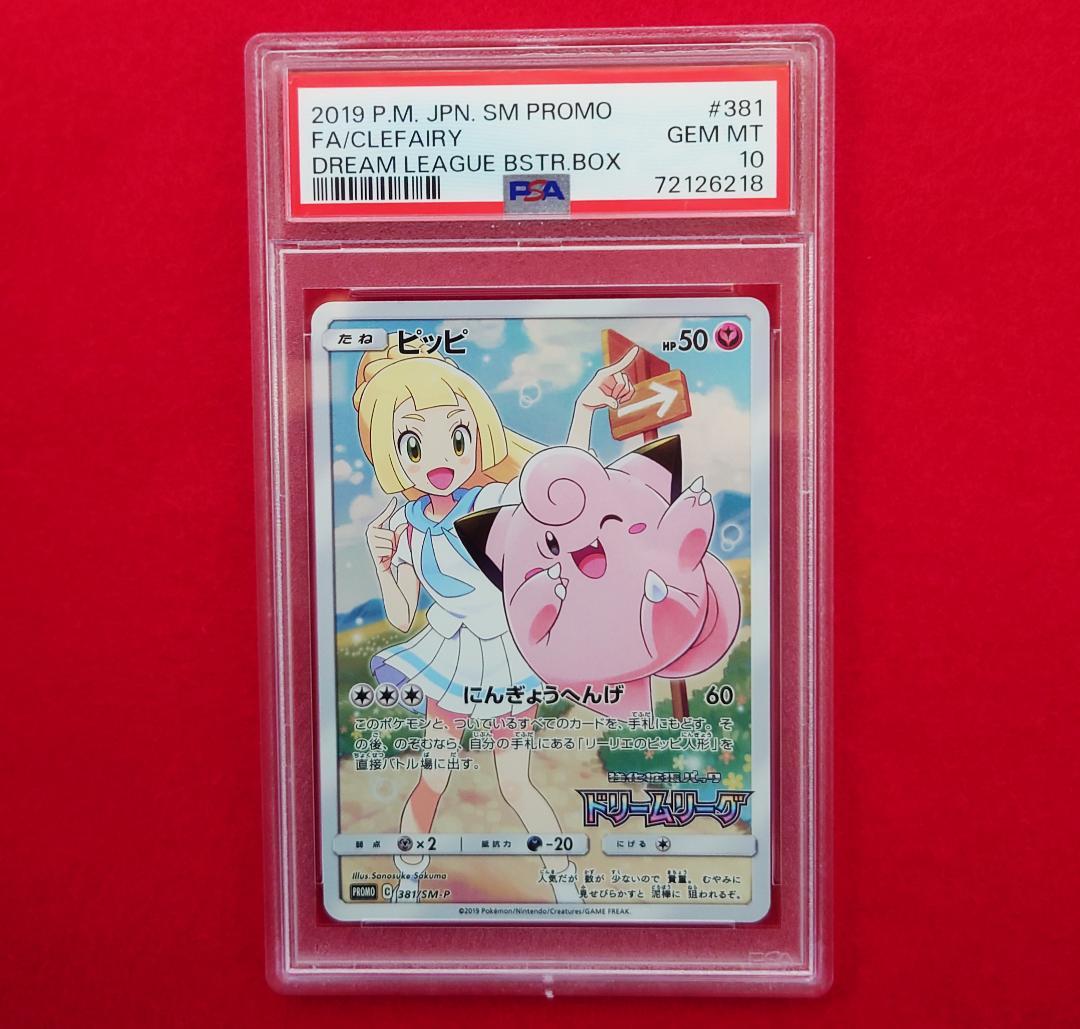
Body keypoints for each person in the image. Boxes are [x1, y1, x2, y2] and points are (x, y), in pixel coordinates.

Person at [353, 338, 635, 902]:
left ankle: (565, 887)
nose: (440, 460)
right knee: (433, 776)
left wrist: (583, 411)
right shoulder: (405, 525)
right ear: (390, 451)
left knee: (515, 781)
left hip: (506, 657)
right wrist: (382, 562)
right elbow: (403, 615)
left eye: (457, 437)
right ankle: (407, 885)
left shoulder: (495, 500)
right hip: (452, 657)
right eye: (413, 443)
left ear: (478, 433)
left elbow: (564, 492)